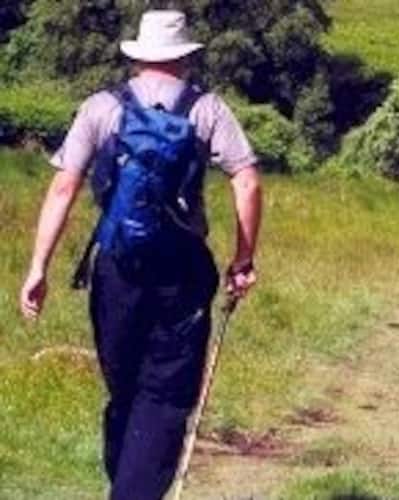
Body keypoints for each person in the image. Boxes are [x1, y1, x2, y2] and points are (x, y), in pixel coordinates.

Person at [17, 10, 262, 499]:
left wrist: (38, 268)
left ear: (138, 57)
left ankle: (127, 486)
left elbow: (63, 188)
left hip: (116, 270)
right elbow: (248, 180)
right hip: (183, 273)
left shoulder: (101, 108)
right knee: (165, 397)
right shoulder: (207, 109)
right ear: (187, 57)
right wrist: (243, 259)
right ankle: (133, 491)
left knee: (124, 390)